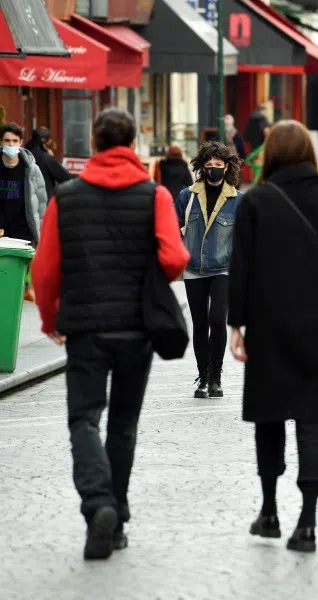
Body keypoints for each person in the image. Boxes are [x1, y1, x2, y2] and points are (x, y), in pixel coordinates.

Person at [31, 108, 189, 560]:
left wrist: (49, 319)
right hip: (136, 327)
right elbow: (176, 259)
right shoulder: (154, 194)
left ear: (95, 145)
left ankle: (97, 503)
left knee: (84, 419)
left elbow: (45, 269)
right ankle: (116, 514)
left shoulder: (68, 196)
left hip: (84, 326)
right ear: (133, 142)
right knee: (123, 423)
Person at [228, 120, 318, 552]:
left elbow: (241, 267)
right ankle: (307, 521)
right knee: (314, 421)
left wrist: (236, 326)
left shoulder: (256, 202)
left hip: (269, 325)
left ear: (270, 154)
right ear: (310, 153)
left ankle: (269, 510)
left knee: (269, 417)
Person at [174, 142, 244, 399]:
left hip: (223, 269)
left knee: (217, 319)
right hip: (194, 268)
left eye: (218, 165)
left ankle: (216, 377)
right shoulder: (186, 197)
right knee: (200, 324)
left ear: (227, 167)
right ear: (201, 167)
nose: (213, 169)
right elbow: (172, 229)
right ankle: (203, 378)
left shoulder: (238, 200)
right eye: (209, 165)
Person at [0, 122, 48, 302]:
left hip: (23, 225)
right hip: (2, 226)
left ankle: (24, 290)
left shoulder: (31, 169)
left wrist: (41, 228)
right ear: (1, 142)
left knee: (22, 264)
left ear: (20, 142)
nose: (10, 145)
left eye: (14, 141)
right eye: (6, 141)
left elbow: (41, 200)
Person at [25, 127, 72, 198]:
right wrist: (53, 158)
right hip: (43, 202)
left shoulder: (23, 154)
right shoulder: (47, 158)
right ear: (46, 143)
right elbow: (66, 178)